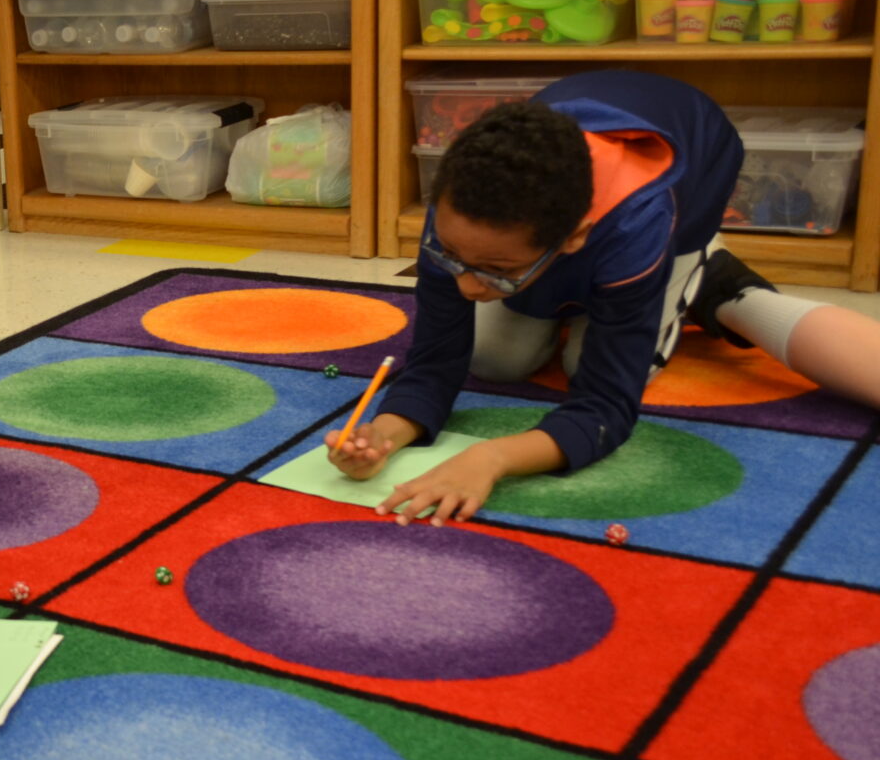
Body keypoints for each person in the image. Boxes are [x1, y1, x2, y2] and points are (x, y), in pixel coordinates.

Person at [327, 68, 880, 524]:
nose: (468, 286)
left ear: (576, 235)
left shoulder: (638, 220)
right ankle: (571, 282)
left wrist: (491, 458)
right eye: (454, 257)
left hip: (695, 170)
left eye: (495, 270)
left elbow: (605, 408)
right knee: (497, 359)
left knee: (579, 362)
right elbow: (432, 367)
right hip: (571, 204)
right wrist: (386, 434)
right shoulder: (464, 206)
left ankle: (709, 277)